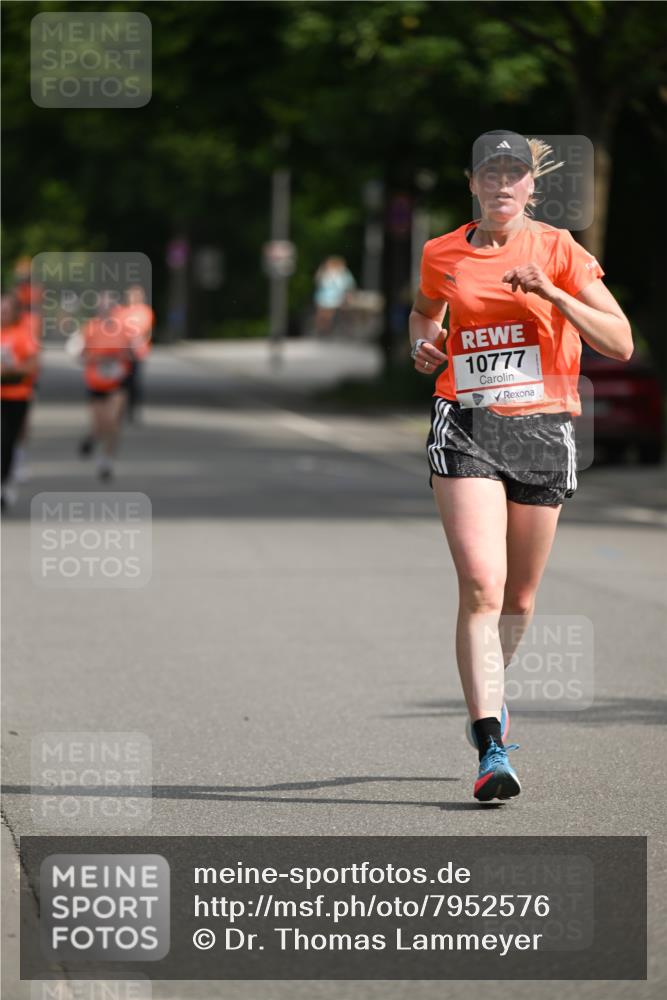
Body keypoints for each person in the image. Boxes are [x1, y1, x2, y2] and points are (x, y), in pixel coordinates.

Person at [410, 130, 633, 803]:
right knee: (481, 584)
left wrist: (554, 294)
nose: (502, 184)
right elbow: (425, 314)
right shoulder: (440, 252)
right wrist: (424, 346)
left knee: (519, 599)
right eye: (490, 173)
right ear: (472, 183)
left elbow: (618, 342)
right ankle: (489, 743)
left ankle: (492, 698)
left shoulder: (559, 249)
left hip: (541, 428)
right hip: (465, 422)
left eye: (514, 174)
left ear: (531, 187)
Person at [79, 291, 133, 481]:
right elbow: (82, 355)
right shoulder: (90, 327)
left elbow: (132, 353)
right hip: (96, 381)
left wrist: (122, 356)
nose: (107, 309)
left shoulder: (124, 328)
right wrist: (99, 357)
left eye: (110, 306)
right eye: (103, 306)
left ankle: (107, 460)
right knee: (99, 424)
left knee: (112, 421)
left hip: (117, 381)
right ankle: (92, 438)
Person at [1, 293, 40, 509]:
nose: (1, 315)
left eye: (5, 311)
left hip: (15, 396)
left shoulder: (23, 336)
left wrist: (9, 371)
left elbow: (33, 366)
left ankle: (4, 482)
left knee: (6, 441)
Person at [121, 284, 154, 423]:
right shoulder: (122, 312)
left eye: (137, 295)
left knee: (135, 383)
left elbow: (144, 331)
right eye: (132, 295)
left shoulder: (145, 312)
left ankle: (133, 411)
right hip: (122, 354)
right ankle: (120, 410)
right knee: (122, 384)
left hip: (137, 353)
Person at [313, 256, 356, 336]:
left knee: (330, 314)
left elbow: (348, 286)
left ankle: (327, 330)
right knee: (323, 314)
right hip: (324, 297)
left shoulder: (343, 273)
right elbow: (318, 281)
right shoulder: (324, 272)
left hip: (336, 298)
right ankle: (322, 330)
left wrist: (347, 297)